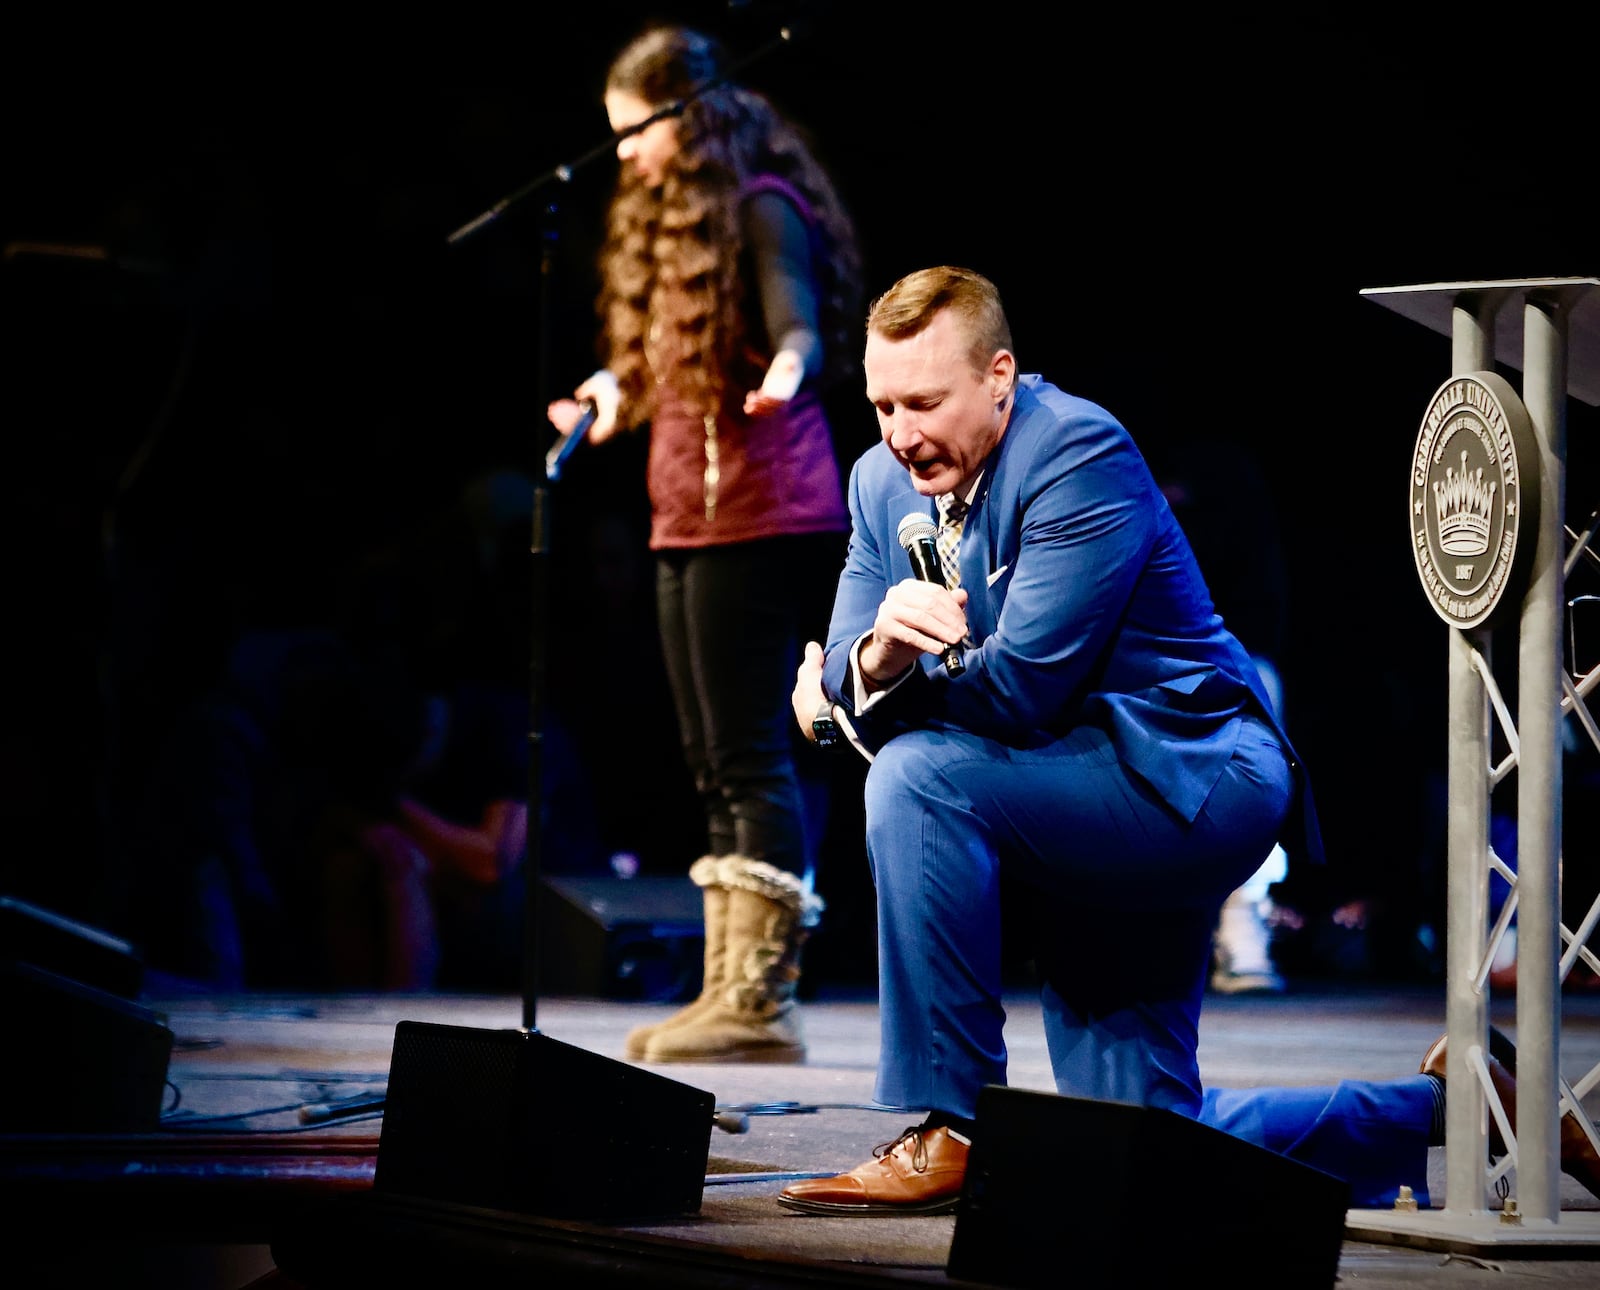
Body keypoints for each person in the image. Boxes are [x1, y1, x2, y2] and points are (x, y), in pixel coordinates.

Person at [778, 264, 1323, 1214]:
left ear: (999, 376)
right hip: (1065, 779)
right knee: (1136, 1142)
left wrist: (861, 692)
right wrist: (869, 663)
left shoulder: (1077, 450)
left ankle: (948, 1124)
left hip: (1188, 773)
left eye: (924, 402)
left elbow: (1019, 689)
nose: (901, 434)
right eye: (881, 406)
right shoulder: (879, 483)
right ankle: (1438, 1109)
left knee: (916, 777)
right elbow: (843, 664)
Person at [545, 24, 860, 1062]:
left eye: (633, 129)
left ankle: (761, 1002)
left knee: (748, 750)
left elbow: (799, 325)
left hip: (765, 504)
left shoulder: (762, 205)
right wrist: (605, 391)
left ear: (686, 114)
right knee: (706, 756)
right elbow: (650, 362)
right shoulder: (665, 225)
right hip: (687, 506)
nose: (625, 151)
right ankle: (729, 989)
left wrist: (786, 371)